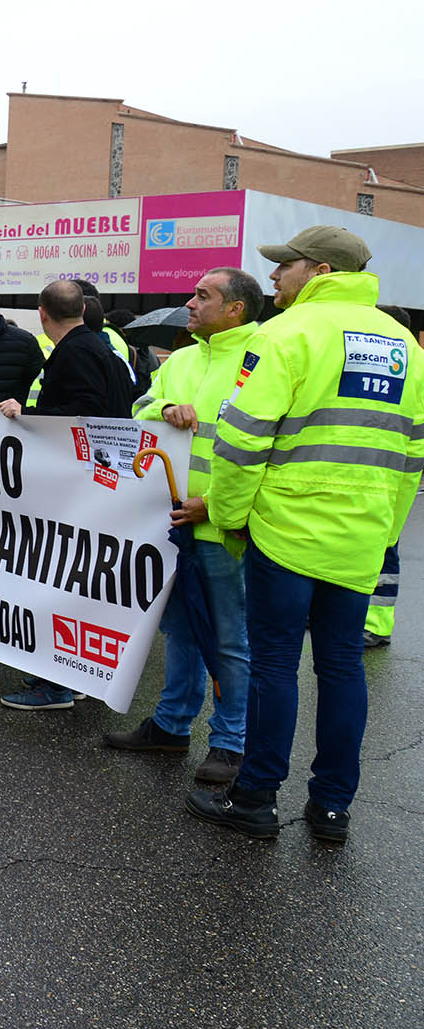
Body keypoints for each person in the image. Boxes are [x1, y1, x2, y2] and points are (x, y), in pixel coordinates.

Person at [188, 227, 424, 844]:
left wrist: (232, 520)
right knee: (342, 667)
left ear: (317, 270)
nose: (274, 277)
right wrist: (383, 532)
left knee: (274, 666)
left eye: (283, 266)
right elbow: (411, 456)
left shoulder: (284, 334)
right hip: (360, 536)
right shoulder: (404, 343)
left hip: (286, 531)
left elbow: (240, 442)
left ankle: (257, 797)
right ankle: (331, 810)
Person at [110, 267, 262, 785]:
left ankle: (229, 743)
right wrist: (167, 407)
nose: (190, 304)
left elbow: (265, 450)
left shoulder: (261, 361)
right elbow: (138, 409)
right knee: (180, 631)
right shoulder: (186, 359)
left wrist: (215, 507)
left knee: (228, 638)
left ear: (235, 308)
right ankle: (173, 725)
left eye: (203, 296)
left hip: (222, 527)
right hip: (172, 522)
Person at [0, 280, 133, 709]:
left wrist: (28, 413)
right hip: (97, 482)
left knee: (56, 580)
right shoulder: (99, 347)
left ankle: (54, 684)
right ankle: (68, 675)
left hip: (77, 484)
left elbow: (84, 413)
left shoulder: (75, 352)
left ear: (42, 313)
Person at [365, 304, 415, 648]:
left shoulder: (408, 366)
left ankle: (378, 624)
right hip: (371, 475)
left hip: (389, 479)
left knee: (385, 551)